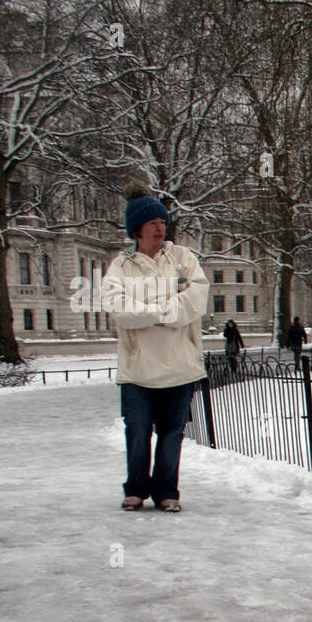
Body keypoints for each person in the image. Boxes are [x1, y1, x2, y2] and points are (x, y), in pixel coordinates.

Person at [103, 180, 208, 513]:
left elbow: (196, 298)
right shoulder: (121, 266)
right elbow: (118, 308)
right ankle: (135, 488)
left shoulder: (182, 258)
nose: (160, 228)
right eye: (153, 223)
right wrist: (165, 308)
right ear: (137, 229)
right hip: (137, 368)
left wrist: (148, 309)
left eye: (163, 222)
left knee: (172, 432)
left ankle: (166, 490)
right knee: (137, 429)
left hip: (179, 364)